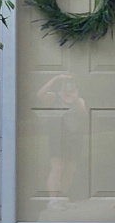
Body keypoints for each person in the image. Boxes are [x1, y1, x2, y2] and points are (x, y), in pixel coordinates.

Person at [36, 73, 87, 208]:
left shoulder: (79, 100)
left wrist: (75, 99)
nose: (69, 86)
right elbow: (40, 95)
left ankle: (61, 197)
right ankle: (52, 201)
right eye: (65, 83)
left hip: (74, 138)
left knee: (70, 169)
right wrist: (54, 79)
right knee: (57, 168)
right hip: (58, 137)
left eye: (71, 83)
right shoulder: (54, 97)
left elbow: (84, 114)